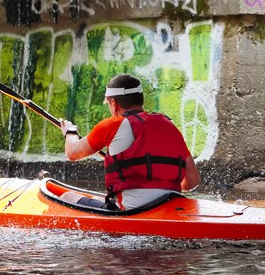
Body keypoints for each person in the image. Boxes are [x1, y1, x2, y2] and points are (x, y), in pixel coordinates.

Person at [59, 73, 200, 210]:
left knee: (67, 197)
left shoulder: (112, 125)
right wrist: (161, 189)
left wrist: (70, 131)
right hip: (171, 204)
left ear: (113, 104)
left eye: (108, 103)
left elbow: (73, 153)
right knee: (98, 199)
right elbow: (193, 180)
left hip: (133, 209)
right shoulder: (170, 126)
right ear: (140, 100)